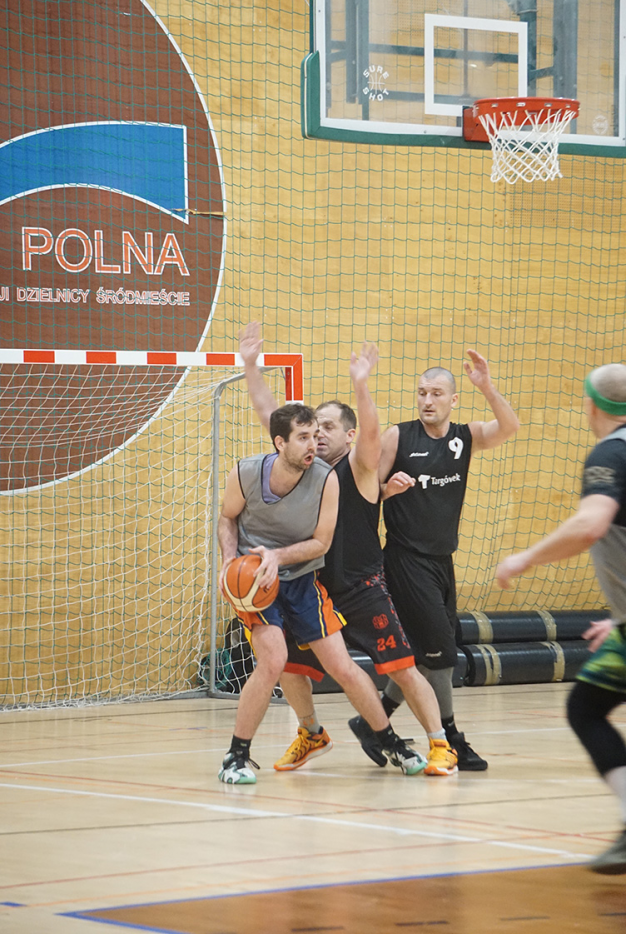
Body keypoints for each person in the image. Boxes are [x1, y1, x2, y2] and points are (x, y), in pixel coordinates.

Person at [238, 322, 458, 777]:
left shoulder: (359, 469)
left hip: (361, 588)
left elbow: (373, 433)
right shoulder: (305, 468)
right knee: (290, 668)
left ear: (349, 435)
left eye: (329, 427)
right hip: (314, 587)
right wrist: (251, 366)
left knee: (402, 667)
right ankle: (310, 733)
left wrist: (361, 384)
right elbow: (269, 415)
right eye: (314, 428)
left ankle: (441, 743)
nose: (318, 434)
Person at [218, 399, 423, 784]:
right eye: (303, 437)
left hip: (301, 578)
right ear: (280, 442)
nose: (313, 444)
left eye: (315, 435)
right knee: (274, 660)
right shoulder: (245, 473)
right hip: (256, 581)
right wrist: (230, 561)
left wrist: (278, 556)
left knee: (341, 665)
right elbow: (227, 518)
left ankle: (390, 741)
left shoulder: (326, 478)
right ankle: (236, 755)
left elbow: (321, 543)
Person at [349, 352, 520, 772]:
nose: (427, 400)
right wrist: (388, 490)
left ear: (453, 399)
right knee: (442, 655)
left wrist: (486, 386)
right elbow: (366, 492)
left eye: (437, 393)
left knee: (427, 655)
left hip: (443, 561)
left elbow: (509, 427)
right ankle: (450, 738)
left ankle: (372, 721)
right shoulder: (398, 436)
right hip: (405, 560)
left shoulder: (464, 437)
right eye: (422, 393)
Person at [496, 364, 626, 873]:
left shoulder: (611, 453)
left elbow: (591, 523)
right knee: (587, 705)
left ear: (592, 405)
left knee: (587, 710)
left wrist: (525, 559)